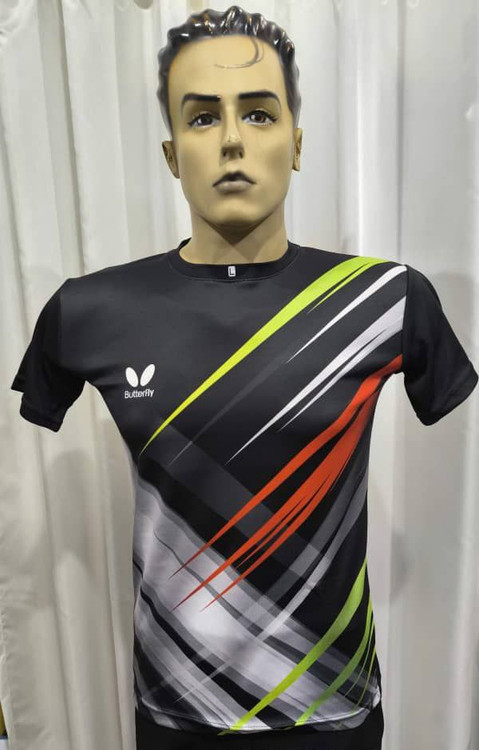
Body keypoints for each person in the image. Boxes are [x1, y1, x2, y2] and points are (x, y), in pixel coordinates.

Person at [10, 5, 477, 750]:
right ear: (172, 155)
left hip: (334, 708)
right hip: (177, 711)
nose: (232, 139)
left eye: (258, 113)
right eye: (202, 118)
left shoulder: (386, 300)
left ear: (296, 143)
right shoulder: (90, 310)